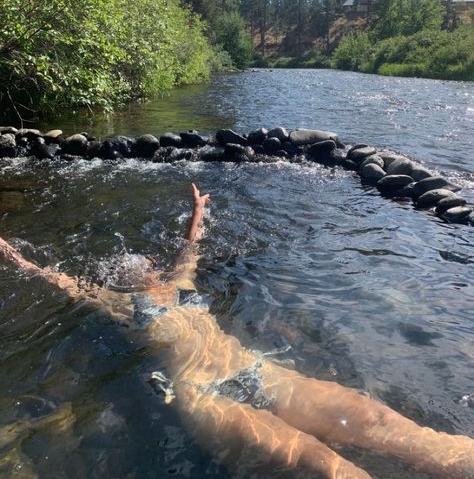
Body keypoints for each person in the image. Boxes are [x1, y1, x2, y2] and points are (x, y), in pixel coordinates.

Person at [0, 184, 473, 479]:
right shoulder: (119, 304)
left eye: (145, 263)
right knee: (318, 466)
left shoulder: (178, 283)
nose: (141, 269)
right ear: (123, 279)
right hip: (202, 392)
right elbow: (61, 281)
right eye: (132, 269)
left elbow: (190, 250)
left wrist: (198, 210)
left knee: (372, 417)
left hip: (252, 369)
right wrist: (14, 257)